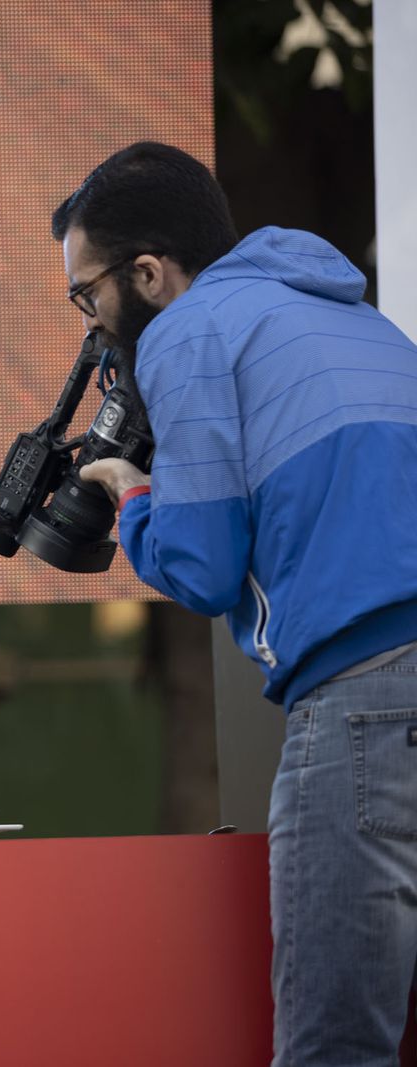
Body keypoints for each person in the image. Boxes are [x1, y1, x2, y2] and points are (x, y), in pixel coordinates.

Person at [57, 142, 417, 1064]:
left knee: (336, 1044)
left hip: (366, 702)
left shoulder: (186, 333)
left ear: (148, 272)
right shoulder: (355, 316)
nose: (94, 325)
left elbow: (205, 565)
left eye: (87, 295)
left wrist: (133, 493)